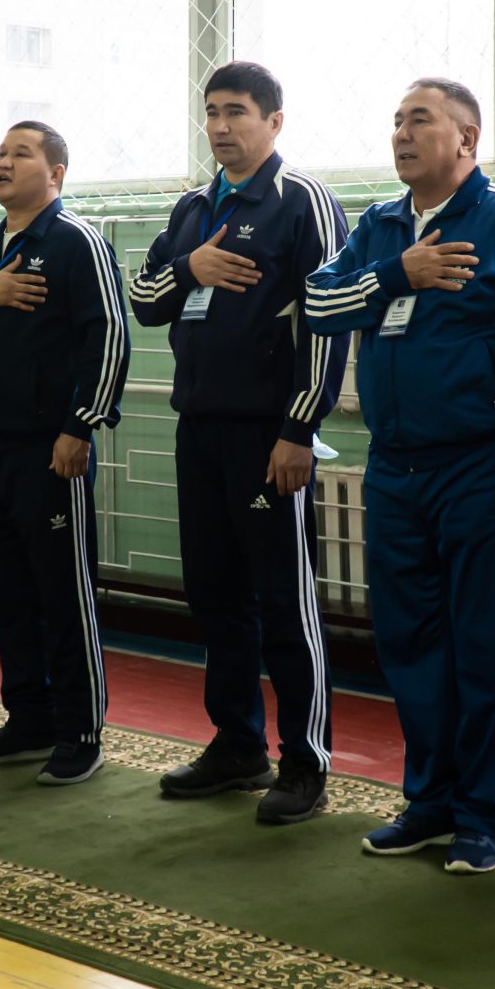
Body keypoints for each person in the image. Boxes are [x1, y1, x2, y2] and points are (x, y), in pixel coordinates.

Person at [305, 78, 495, 878]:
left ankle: (481, 814)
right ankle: (428, 801)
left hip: (481, 463)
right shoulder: (380, 226)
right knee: (409, 640)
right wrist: (398, 273)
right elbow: (319, 304)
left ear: (467, 138)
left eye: (418, 120)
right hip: (394, 466)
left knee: (480, 644)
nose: (400, 133)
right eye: (396, 121)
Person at [130, 62, 349, 825]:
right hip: (199, 428)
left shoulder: (302, 201)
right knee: (214, 593)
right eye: (212, 112)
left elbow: (328, 323)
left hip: (268, 435)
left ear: (274, 121)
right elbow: (144, 298)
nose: (221, 127)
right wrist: (188, 266)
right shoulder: (193, 207)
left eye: (237, 112)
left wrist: (299, 428)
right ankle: (237, 743)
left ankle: (306, 761)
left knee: (284, 601)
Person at [0, 121, 131, 785]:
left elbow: (109, 337)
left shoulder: (76, 242)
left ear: (56, 173)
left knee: (62, 596)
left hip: (49, 450)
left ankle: (81, 731)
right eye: (1, 153)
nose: (4, 162)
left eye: (21, 153)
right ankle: (29, 717)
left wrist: (81, 426)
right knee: (6, 595)